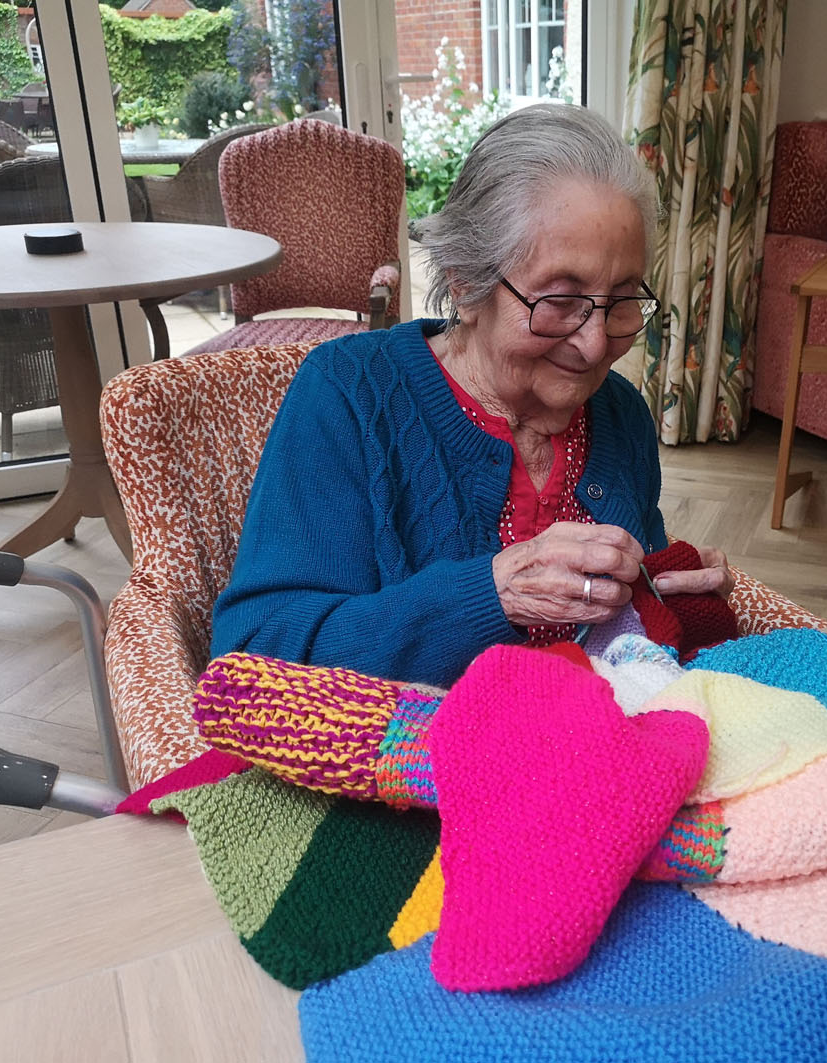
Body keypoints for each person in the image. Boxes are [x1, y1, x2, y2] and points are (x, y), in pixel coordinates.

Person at [210, 104, 734, 688]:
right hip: (404, 768)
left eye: (623, 299)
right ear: (465, 282)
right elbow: (252, 658)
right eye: (559, 300)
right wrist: (494, 595)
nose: (595, 345)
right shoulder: (347, 395)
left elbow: (639, 639)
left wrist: (677, 595)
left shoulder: (622, 416)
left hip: (596, 761)